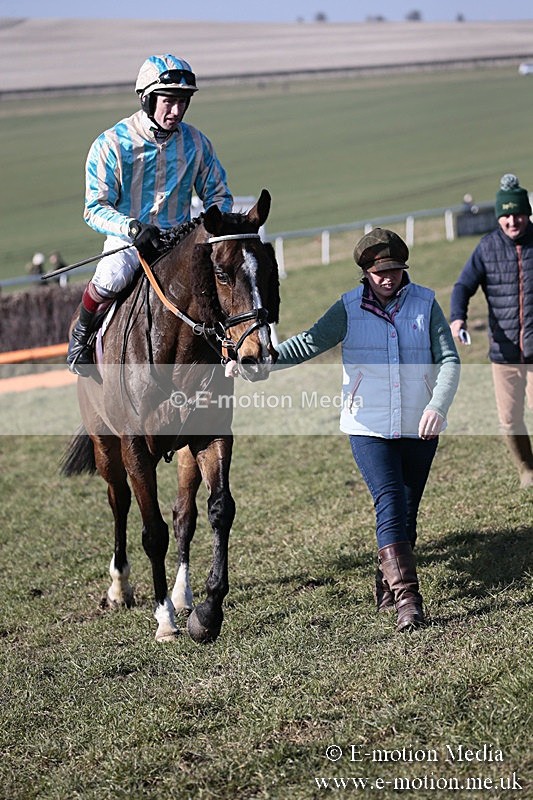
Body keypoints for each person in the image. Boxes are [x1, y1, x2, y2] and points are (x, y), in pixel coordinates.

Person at [274, 228, 460, 632]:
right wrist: (263, 362)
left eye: (394, 269)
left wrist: (437, 405)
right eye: (380, 272)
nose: (389, 278)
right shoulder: (347, 309)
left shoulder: (425, 304)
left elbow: (450, 360)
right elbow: (307, 343)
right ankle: (408, 601)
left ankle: (387, 578)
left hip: (419, 425)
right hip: (367, 426)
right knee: (390, 501)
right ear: (365, 273)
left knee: (407, 515)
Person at [67, 54, 233, 376]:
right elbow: (94, 207)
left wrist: (209, 222)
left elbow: (219, 194)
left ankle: (235, 348)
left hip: (181, 241)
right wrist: (131, 228)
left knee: (228, 281)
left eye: (183, 102)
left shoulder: (197, 143)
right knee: (111, 277)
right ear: (147, 99)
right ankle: (82, 335)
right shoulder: (111, 144)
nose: (176, 111)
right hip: (129, 241)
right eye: (168, 101)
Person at [450, 173, 533, 489]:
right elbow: (463, 285)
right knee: (510, 420)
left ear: (527, 212)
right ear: (499, 216)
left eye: (518, 214)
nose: (513, 221)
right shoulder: (486, 249)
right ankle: (527, 469)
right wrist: (457, 318)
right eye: (506, 215)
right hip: (504, 351)